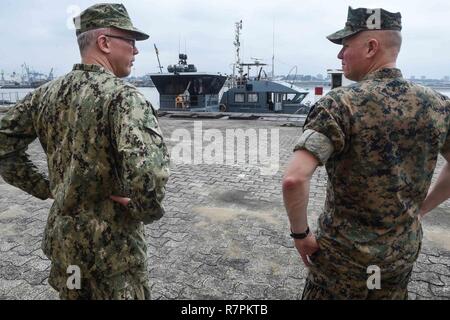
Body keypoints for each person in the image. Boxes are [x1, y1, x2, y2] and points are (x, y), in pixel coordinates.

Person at [0, 3, 170, 300]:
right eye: (129, 41)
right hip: (113, 254)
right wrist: (143, 208)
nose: (136, 50)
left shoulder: (46, 94)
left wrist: (46, 187)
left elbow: (2, 142)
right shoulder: (124, 98)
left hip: (67, 246)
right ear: (104, 43)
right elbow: (149, 173)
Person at [282, 6, 450, 299]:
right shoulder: (437, 105)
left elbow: (294, 179)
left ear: (371, 47)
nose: (339, 55)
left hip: (342, 260)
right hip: (399, 257)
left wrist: (300, 234)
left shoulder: (339, 105)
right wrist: (419, 211)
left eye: (345, 46)